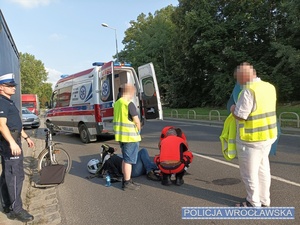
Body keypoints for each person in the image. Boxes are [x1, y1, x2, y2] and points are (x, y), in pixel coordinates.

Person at [230, 63, 277, 207]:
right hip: (268, 136)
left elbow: (241, 115)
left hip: (250, 140)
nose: (238, 82)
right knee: (263, 170)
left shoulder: (248, 91)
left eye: (238, 79)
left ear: (243, 77)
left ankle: (252, 202)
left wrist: (233, 109)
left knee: (249, 173)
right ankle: (265, 200)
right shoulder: (269, 87)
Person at [0, 73, 35, 222]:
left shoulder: (8, 102)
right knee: (15, 176)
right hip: (10, 144)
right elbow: (2, 125)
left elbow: (15, 125)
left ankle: (6, 204)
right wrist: (12, 143)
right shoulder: (1, 102)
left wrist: (26, 137)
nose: (14, 88)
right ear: (1, 87)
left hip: (14, 140)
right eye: (10, 86)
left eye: (14, 86)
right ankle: (16, 210)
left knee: (7, 176)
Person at [113, 83, 141, 191]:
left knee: (125, 159)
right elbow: (136, 121)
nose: (133, 95)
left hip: (121, 136)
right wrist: (138, 130)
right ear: (129, 92)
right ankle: (127, 183)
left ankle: (126, 179)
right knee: (129, 161)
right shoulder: (129, 104)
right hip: (130, 137)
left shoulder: (117, 103)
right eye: (133, 93)